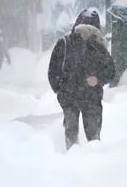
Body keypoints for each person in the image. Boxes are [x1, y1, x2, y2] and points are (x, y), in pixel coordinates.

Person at [48, 10, 115, 150]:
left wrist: (61, 90)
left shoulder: (64, 43)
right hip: (91, 98)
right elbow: (110, 72)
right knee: (93, 138)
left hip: (70, 96)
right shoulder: (99, 46)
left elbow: (53, 72)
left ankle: (72, 158)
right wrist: (98, 80)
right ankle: (93, 160)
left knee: (71, 135)